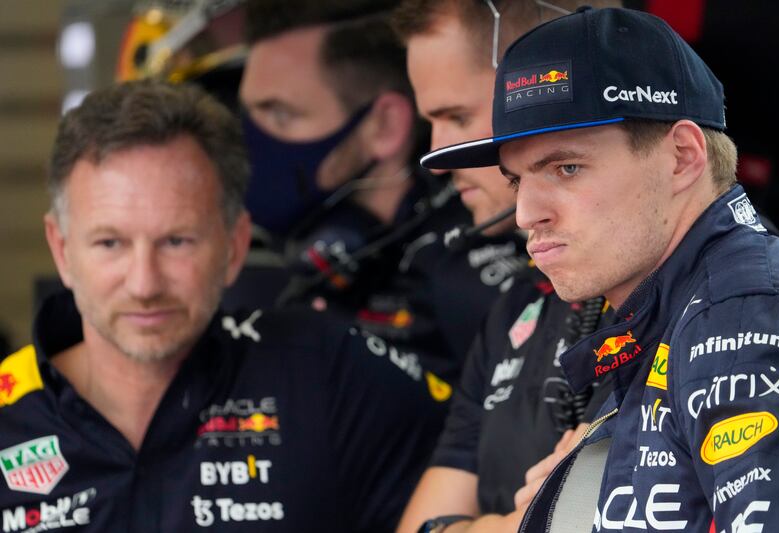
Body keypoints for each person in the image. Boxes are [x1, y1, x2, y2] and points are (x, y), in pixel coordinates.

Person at [0, 80, 448, 532]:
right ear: (61, 250)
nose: (144, 283)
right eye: (110, 243)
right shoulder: (8, 414)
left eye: (177, 241)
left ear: (234, 246)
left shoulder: (325, 373)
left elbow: (481, 461)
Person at [422, 6, 779, 532]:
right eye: (516, 180)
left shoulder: (739, 311)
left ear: (682, 158)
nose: (528, 212)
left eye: (566, 167)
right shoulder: (674, 312)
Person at [391, 2, 617, 532]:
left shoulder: (695, 290)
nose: (438, 156)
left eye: (456, 117)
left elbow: (579, 517)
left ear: (548, 89)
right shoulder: (518, 305)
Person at [238, 0, 528, 377]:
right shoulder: (325, 269)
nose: (249, 144)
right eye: (248, 117)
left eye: (281, 114)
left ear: (385, 126)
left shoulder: (467, 274)